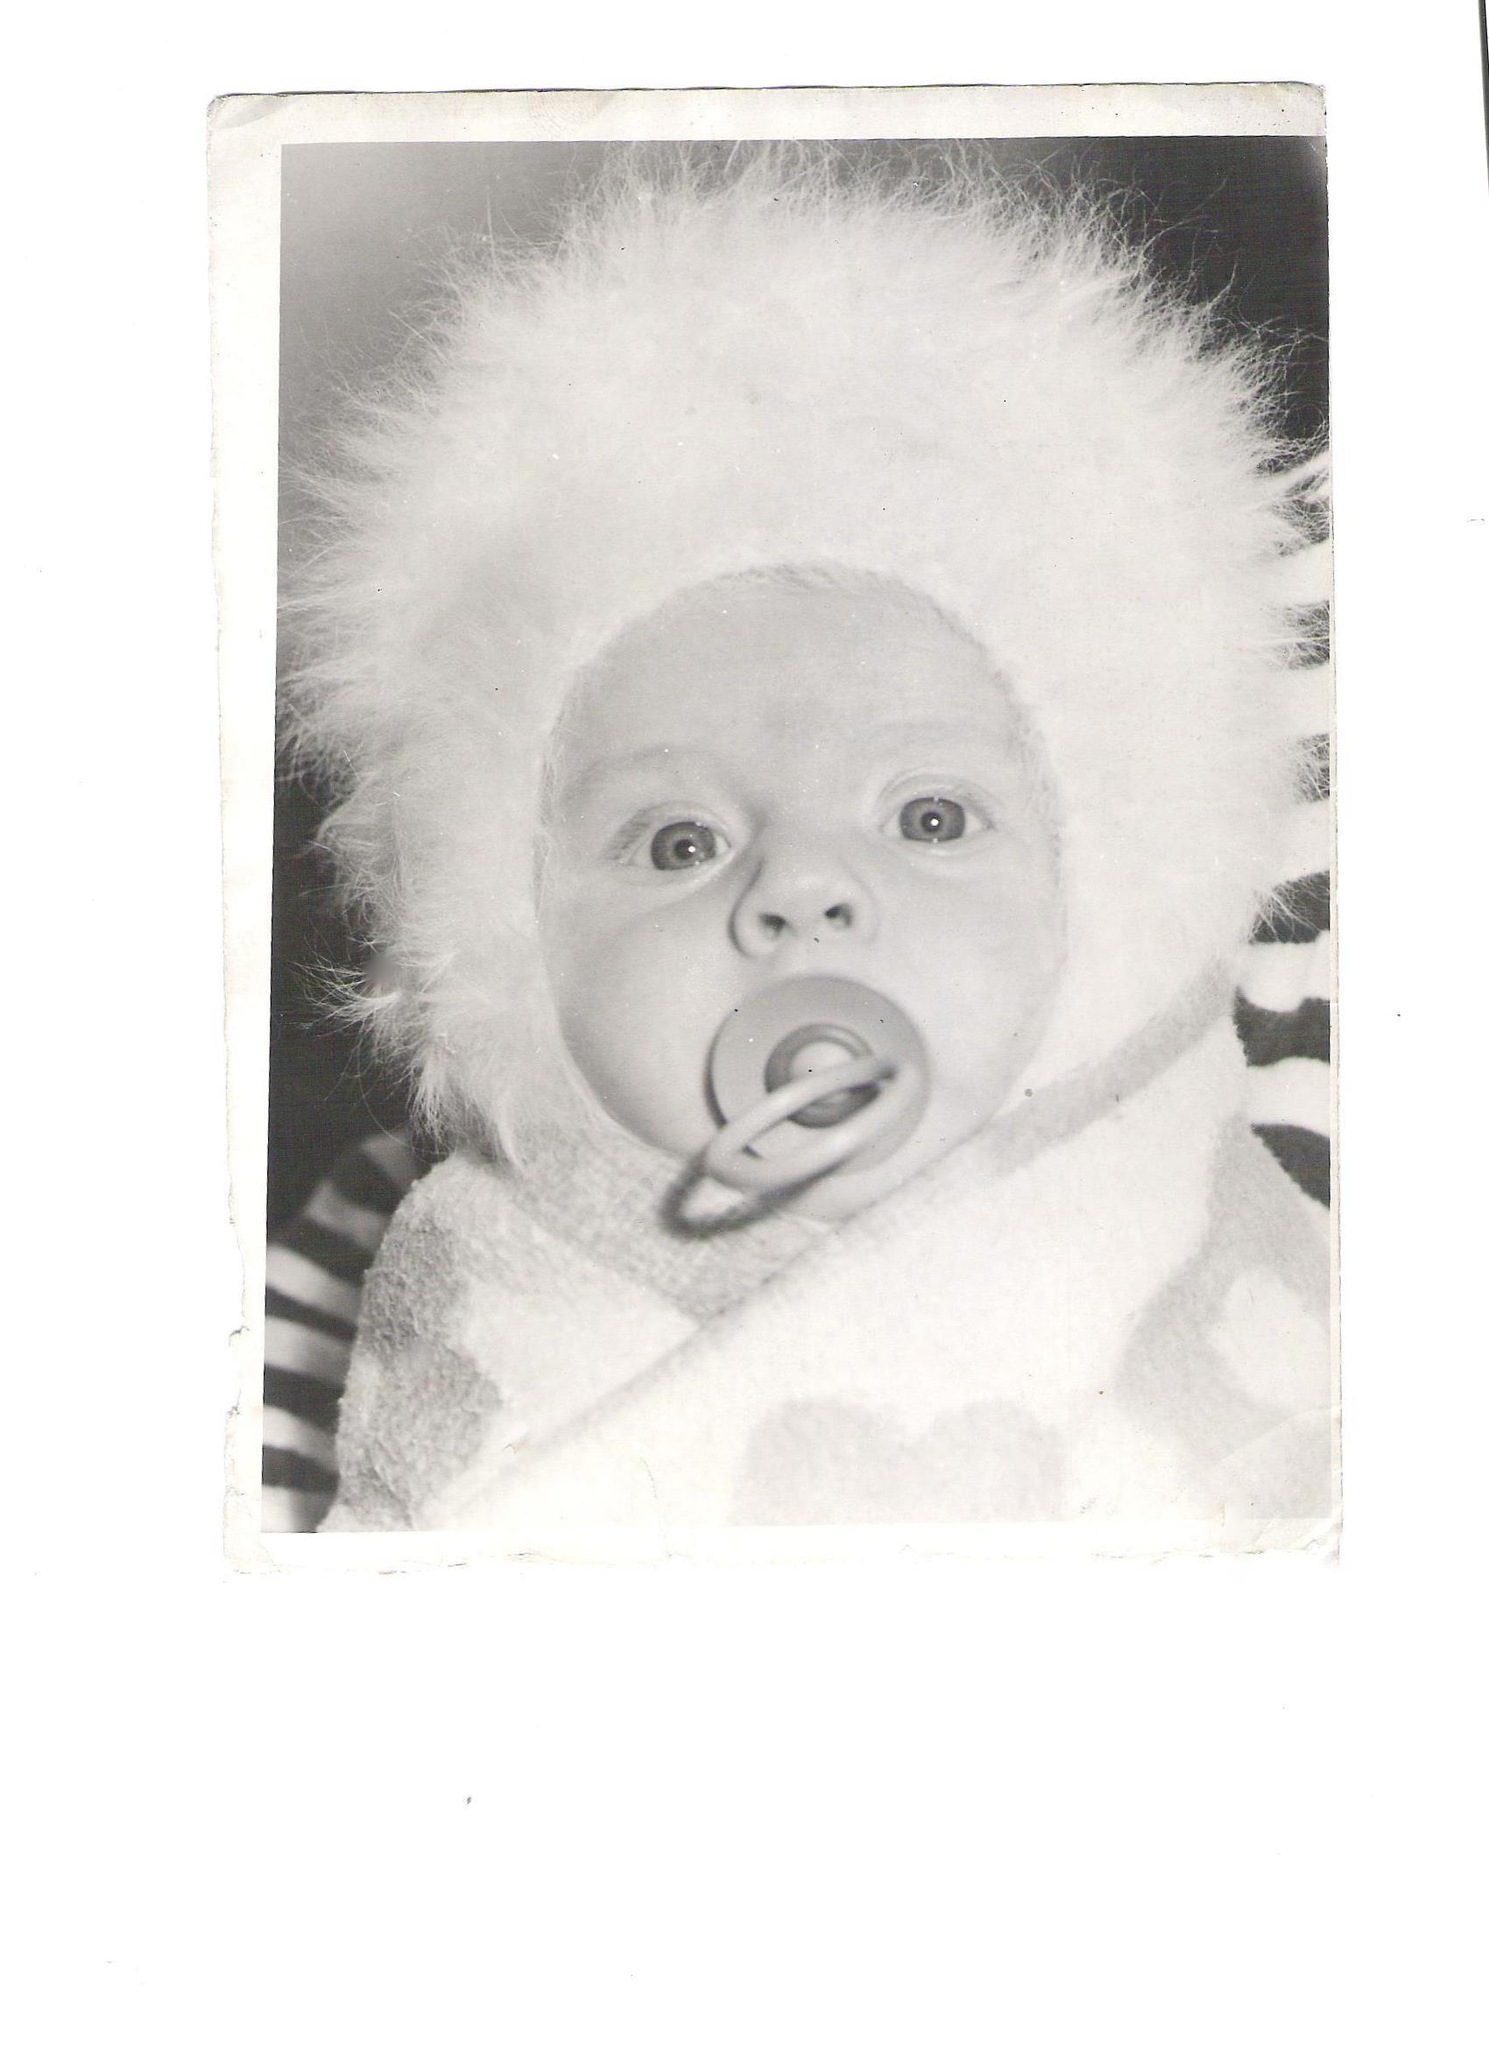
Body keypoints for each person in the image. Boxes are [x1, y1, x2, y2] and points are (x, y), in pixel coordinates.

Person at [283, 149, 1333, 1538]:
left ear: (1101, 894)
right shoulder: (391, 1277)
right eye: (679, 841)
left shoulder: (1268, 1282)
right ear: (510, 943)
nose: (803, 888)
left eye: (930, 818)